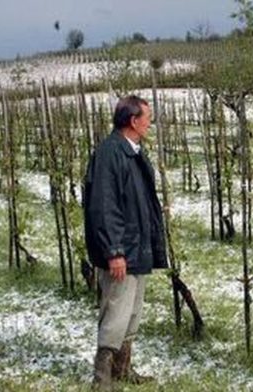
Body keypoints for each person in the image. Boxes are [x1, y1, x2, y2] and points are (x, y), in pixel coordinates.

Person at [83, 95, 167, 390]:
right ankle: (101, 378)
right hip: (122, 250)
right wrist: (114, 251)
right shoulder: (110, 153)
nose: (150, 123)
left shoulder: (133, 151)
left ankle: (122, 369)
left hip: (137, 246)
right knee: (116, 311)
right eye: (148, 117)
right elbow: (104, 206)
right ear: (133, 121)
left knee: (132, 312)